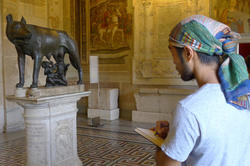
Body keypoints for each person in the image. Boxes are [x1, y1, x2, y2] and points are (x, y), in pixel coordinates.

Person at [154, 15, 250, 166]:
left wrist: (160, 140)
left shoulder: (189, 109)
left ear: (188, 53)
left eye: (172, 54)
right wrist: (174, 136)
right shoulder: (243, 95)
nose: (174, 63)